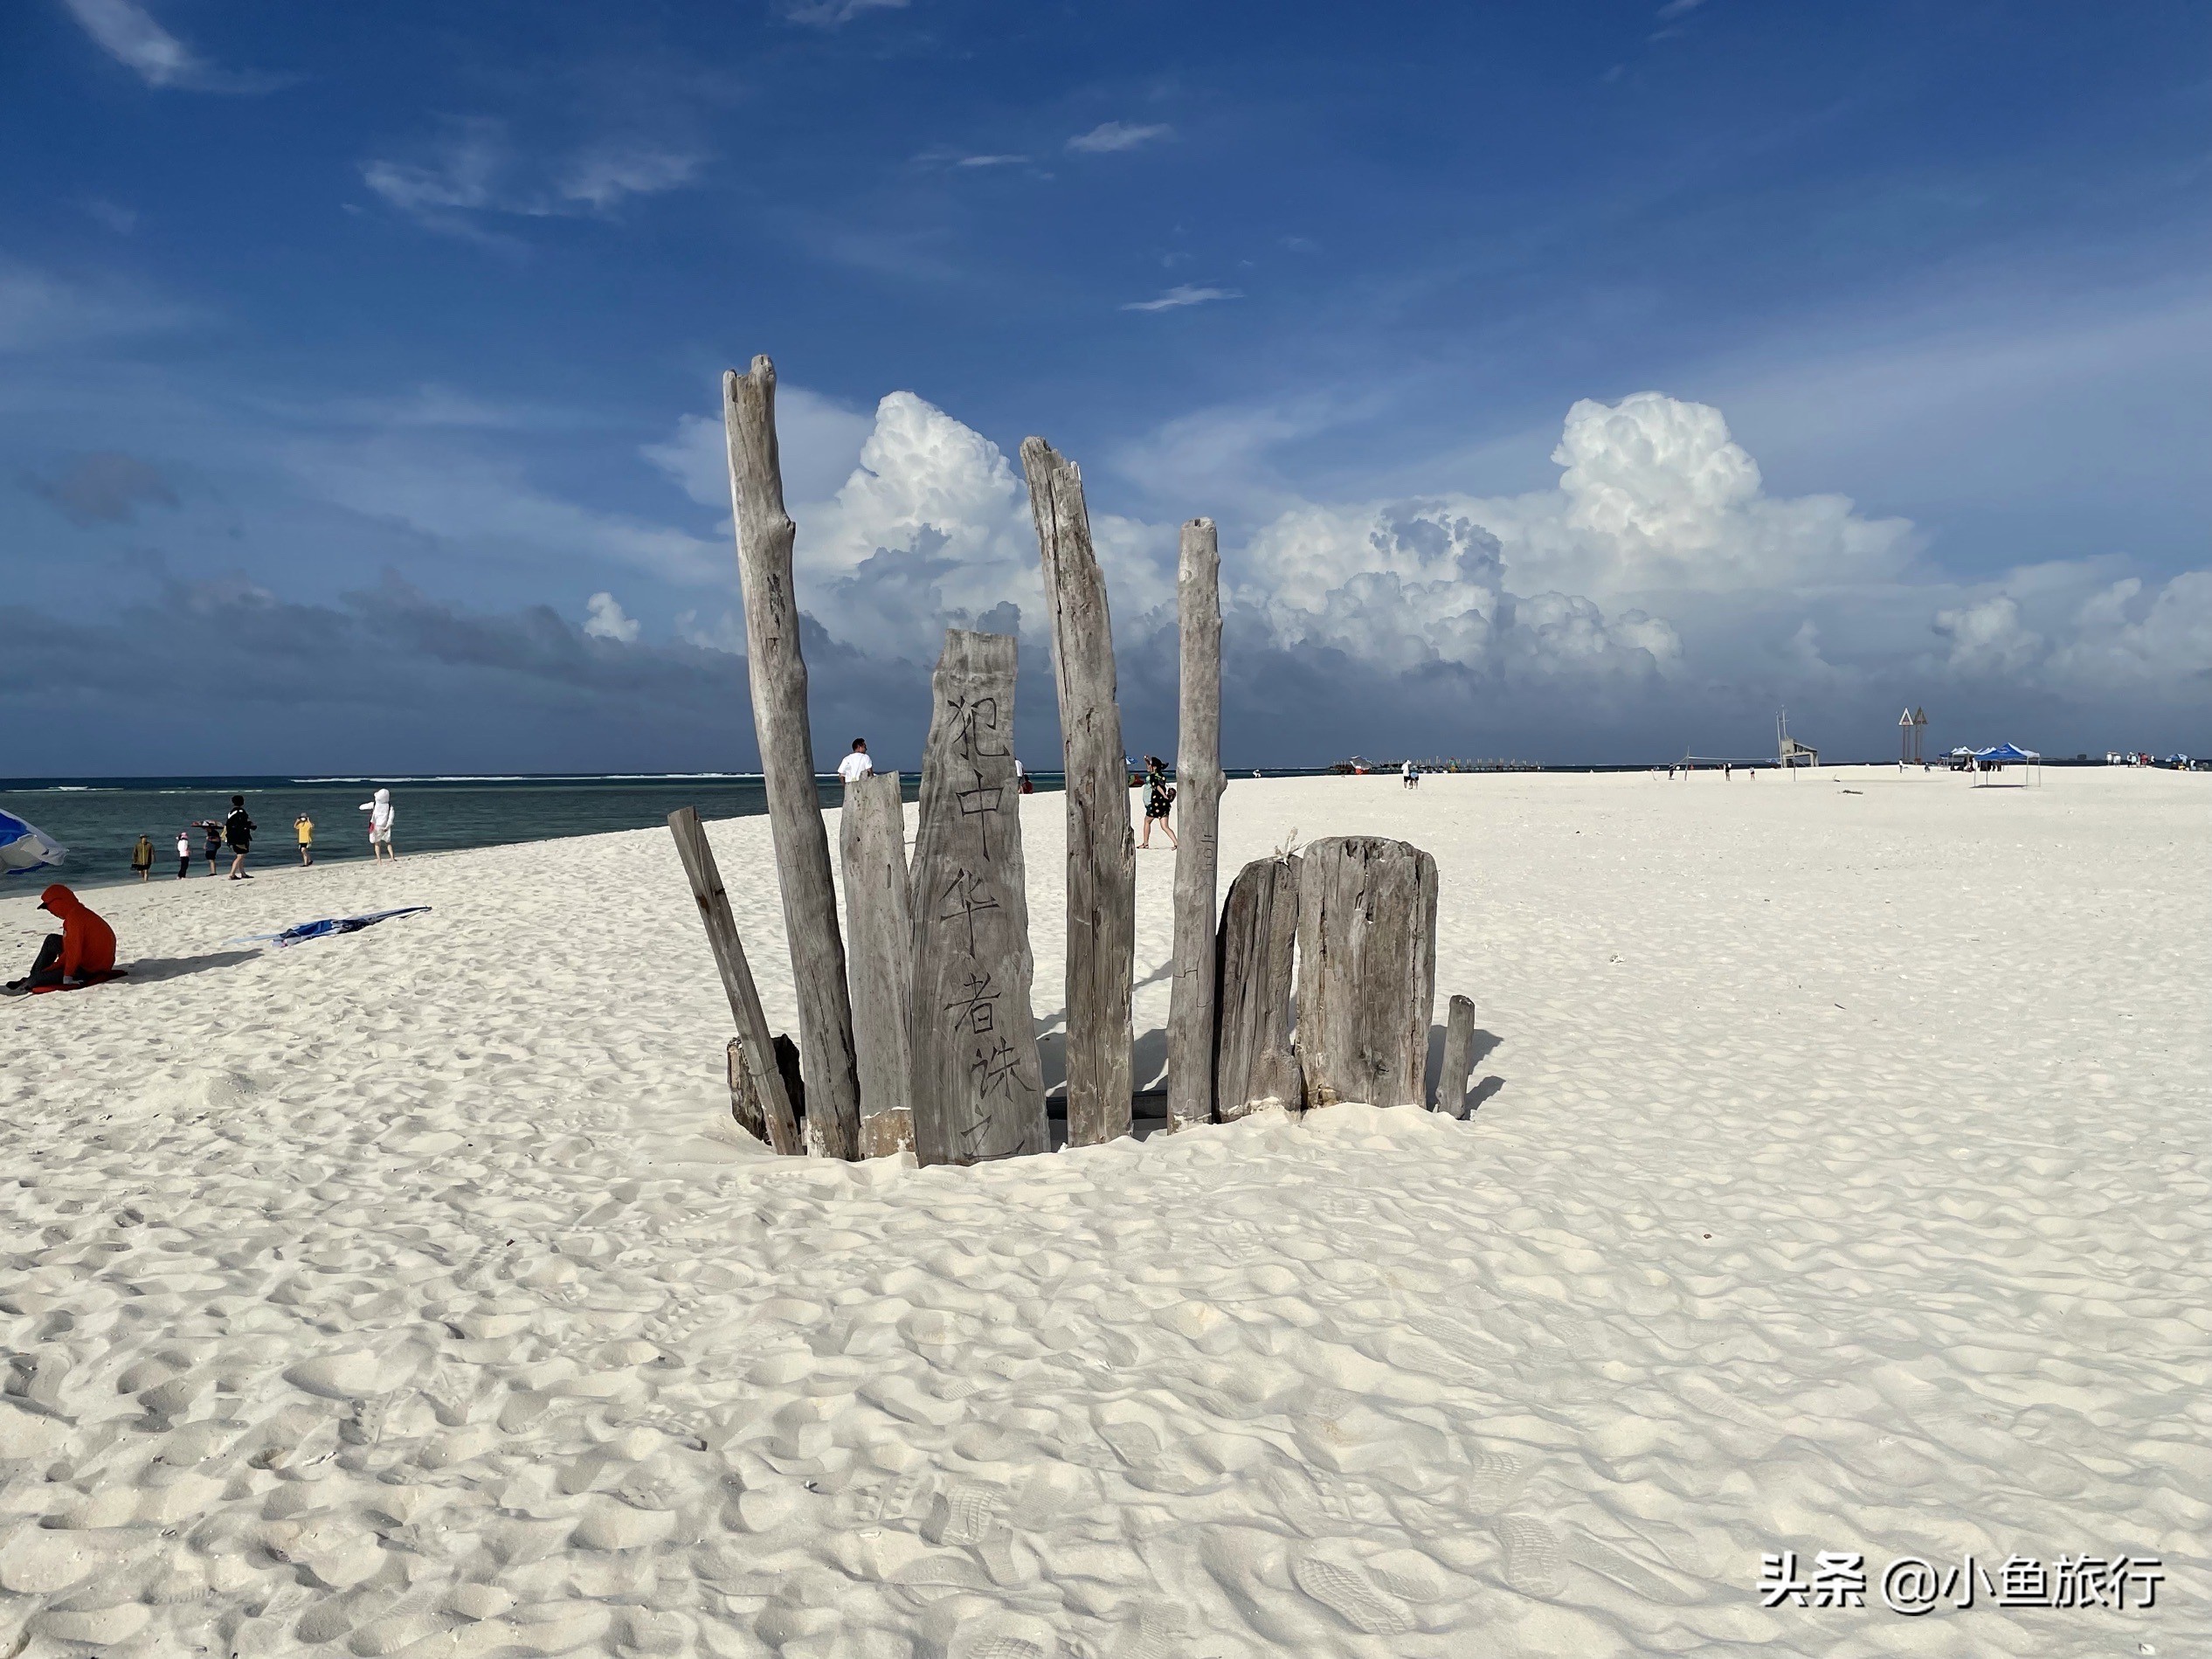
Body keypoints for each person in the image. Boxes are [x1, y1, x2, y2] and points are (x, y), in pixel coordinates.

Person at [4, 885, 116, 995]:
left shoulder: (75, 919)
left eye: (49, 907)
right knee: (52, 940)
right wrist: (51, 969)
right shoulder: (78, 912)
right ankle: (34, 976)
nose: (51, 912)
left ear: (59, 903)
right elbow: (70, 950)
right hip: (92, 959)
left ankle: (29, 982)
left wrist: (68, 976)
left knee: (38, 979)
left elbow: (74, 952)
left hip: (90, 969)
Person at [1139, 755, 1178, 850]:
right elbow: (1150, 770)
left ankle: (1145, 843)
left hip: (1156, 804)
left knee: (1147, 821)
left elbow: (1157, 786)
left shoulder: (1153, 777)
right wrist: (1147, 761)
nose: (1149, 767)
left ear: (1155, 767)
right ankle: (1176, 843)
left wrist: (1164, 795)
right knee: (1165, 826)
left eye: (1151, 765)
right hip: (1164, 804)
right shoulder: (1161, 776)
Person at [360, 788, 397, 861]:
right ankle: (392, 858)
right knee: (388, 843)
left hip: (376, 826)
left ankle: (379, 860)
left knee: (377, 844)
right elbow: (391, 818)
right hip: (385, 826)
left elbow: (361, 807)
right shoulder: (390, 807)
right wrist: (387, 826)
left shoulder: (374, 804)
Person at [225, 796, 255, 881]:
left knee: (240, 854)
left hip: (231, 836)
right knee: (241, 855)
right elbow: (243, 823)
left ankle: (243, 873)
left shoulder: (231, 812)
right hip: (240, 836)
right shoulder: (241, 812)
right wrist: (251, 826)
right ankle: (232, 874)